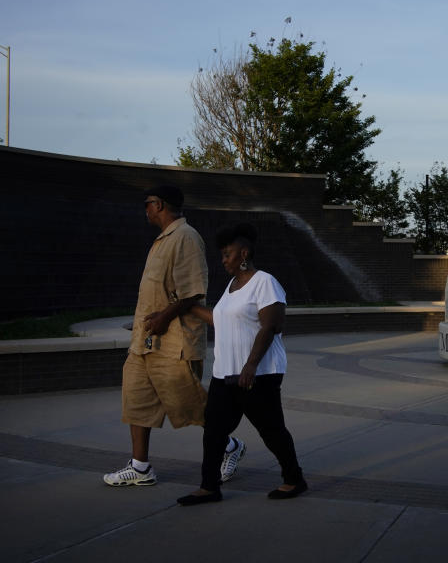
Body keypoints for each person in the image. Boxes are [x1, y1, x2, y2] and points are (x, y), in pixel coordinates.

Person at [103, 186, 245, 487]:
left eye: (148, 204)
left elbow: (194, 292)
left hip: (175, 342)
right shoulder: (162, 240)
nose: (145, 210)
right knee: (136, 400)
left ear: (159, 205)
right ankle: (140, 467)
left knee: (189, 405)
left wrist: (164, 316)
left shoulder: (186, 237)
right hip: (146, 340)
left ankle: (230, 446)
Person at [177, 223, 307, 505]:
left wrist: (250, 365)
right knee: (213, 432)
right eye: (223, 255)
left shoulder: (265, 282)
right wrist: (187, 306)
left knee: (271, 431)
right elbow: (220, 321)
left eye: (228, 254)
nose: (224, 260)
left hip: (258, 374)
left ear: (243, 253)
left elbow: (271, 325)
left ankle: (294, 479)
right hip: (225, 374)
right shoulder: (231, 287)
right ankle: (209, 487)